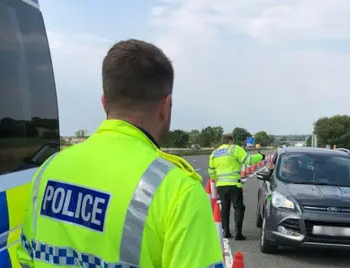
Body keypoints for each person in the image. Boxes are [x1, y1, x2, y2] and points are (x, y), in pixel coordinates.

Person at [17, 39, 224, 268]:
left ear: (104, 102)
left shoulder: (49, 169)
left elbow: (27, 258)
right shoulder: (178, 192)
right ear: (166, 106)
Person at [208, 134, 265, 240]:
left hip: (221, 186)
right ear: (232, 140)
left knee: (225, 208)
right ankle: (238, 233)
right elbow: (249, 160)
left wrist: (218, 180)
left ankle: (226, 232)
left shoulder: (214, 153)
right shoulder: (235, 149)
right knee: (239, 207)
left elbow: (211, 171)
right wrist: (261, 156)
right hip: (234, 184)